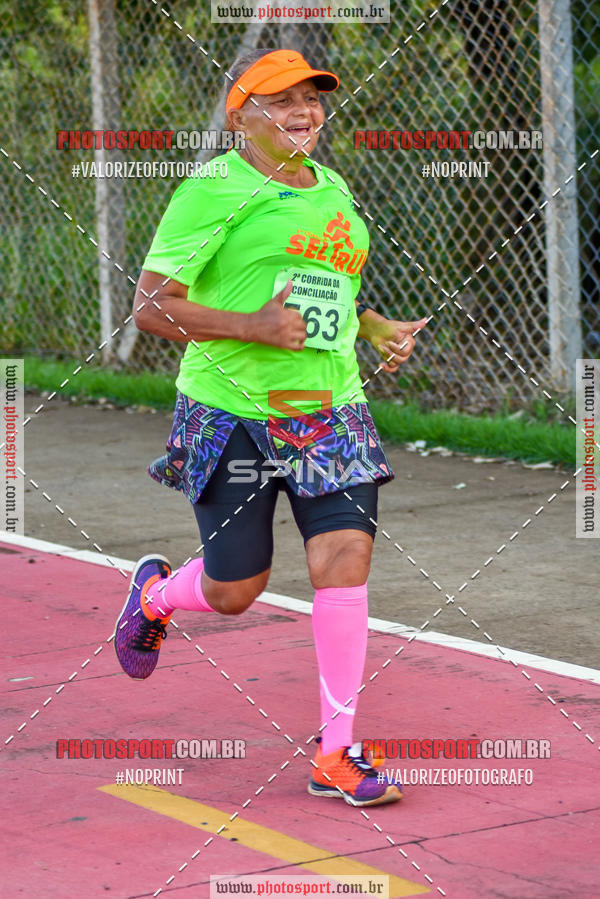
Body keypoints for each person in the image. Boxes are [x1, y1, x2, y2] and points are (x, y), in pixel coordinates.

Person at [114, 48, 426, 807]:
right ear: (240, 115)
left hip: (329, 412)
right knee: (235, 587)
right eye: (282, 99)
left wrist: (373, 325)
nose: (304, 111)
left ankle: (337, 751)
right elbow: (151, 305)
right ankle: (156, 596)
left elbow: (328, 292)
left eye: (314, 99)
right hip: (233, 412)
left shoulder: (335, 189)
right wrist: (249, 326)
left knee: (345, 557)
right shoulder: (215, 188)